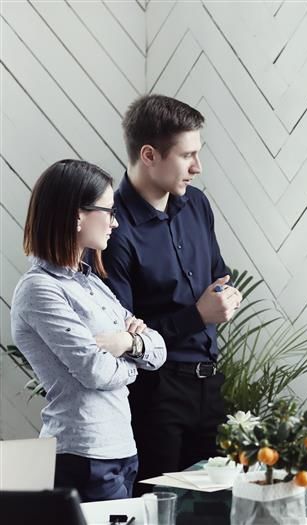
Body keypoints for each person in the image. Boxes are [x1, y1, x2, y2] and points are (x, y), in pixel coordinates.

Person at [101, 94, 242, 494]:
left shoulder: (197, 204)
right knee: (157, 508)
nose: (198, 167)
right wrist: (199, 315)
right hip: (154, 394)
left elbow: (219, 275)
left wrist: (224, 299)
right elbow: (124, 338)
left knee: (215, 510)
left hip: (209, 385)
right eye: (187, 156)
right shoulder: (113, 230)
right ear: (149, 154)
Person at [10, 159, 166, 502]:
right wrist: (133, 359)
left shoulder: (91, 283)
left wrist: (125, 341)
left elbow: (158, 350)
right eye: (108, 211)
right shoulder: (40, 289)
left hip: (122, 448)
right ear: (77, 215)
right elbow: (94, 371)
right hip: (82, 455)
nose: (115, 222)